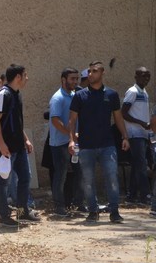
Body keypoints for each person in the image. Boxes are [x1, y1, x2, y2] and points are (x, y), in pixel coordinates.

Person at [67, 61, 130, 223]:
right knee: (88, 180)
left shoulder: (111, 94)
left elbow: (118, 118)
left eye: (94, 71)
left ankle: (114, 211)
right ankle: (92, 211)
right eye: (89, 71)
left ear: (102, 73)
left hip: (107, 145)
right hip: (86, 146)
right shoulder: (80, 96)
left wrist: (125, 137)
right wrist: (71, 140)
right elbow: (72, 121)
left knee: (112, 177)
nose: (90, 74)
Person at [0, 64, 41, 227]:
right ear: (18, 77)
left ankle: (22, 211)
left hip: (19, 147)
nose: (27, 78)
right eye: (25, 75)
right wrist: (1, 144)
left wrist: (26, 139)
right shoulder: (3, 94)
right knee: (3, 182)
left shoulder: (17, 94)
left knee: (25, 178)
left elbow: (17, 123)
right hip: (7, 148)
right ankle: (3, 215)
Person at [48, 67, 83, 217]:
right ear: (64, 80)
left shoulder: (75, 95)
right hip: (60, 143)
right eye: (72, 79)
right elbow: (55, 120)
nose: (75, 81)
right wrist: (70, 135)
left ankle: (78, 203)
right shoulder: (58, 98)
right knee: (61, 175)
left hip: (73, 142)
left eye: (77, 78)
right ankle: (59, 207)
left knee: (79, 173)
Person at [121, 67, 151, 205]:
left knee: (137, 165)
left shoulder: (144, 92)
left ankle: (131, 196)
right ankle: (145, 196)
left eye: (148, 77)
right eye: (143, 76)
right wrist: (141, 123)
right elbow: (124, 113)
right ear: (136, 77)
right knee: (141, 165)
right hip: (135, 133)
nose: (146, 79)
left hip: (144, 133)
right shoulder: (132, 92)